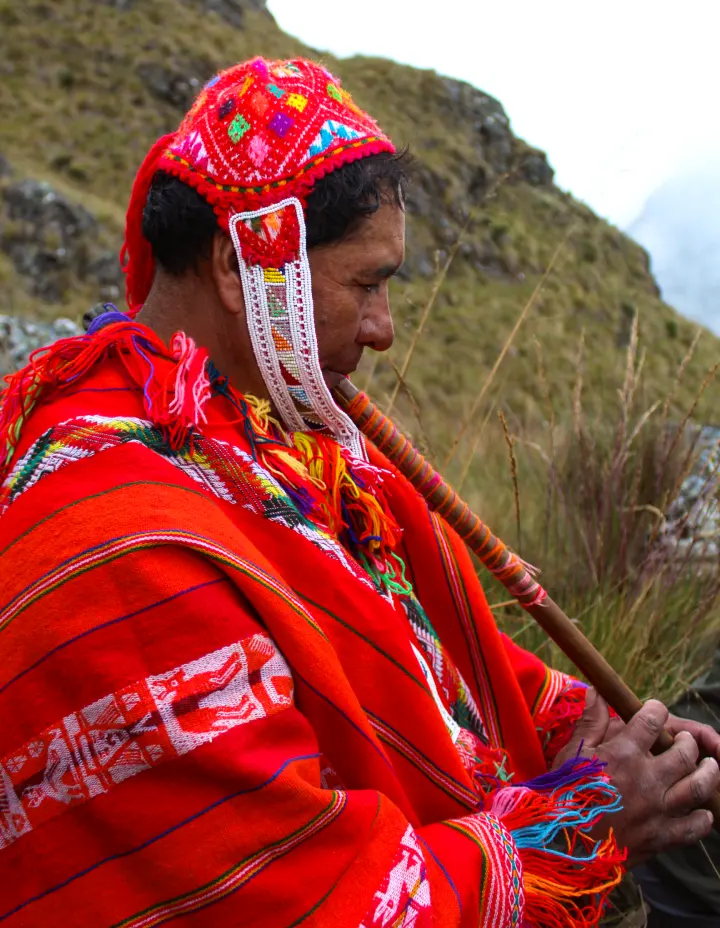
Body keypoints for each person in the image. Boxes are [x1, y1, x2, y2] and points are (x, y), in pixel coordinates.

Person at [0, 57, 718, 927]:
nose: (381, 331)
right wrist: (591, 815)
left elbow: (414, 657)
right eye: (367, 285)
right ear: (238, 267)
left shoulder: (259, 443)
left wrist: (582, 731)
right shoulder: (119, 547)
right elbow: (302, 898)